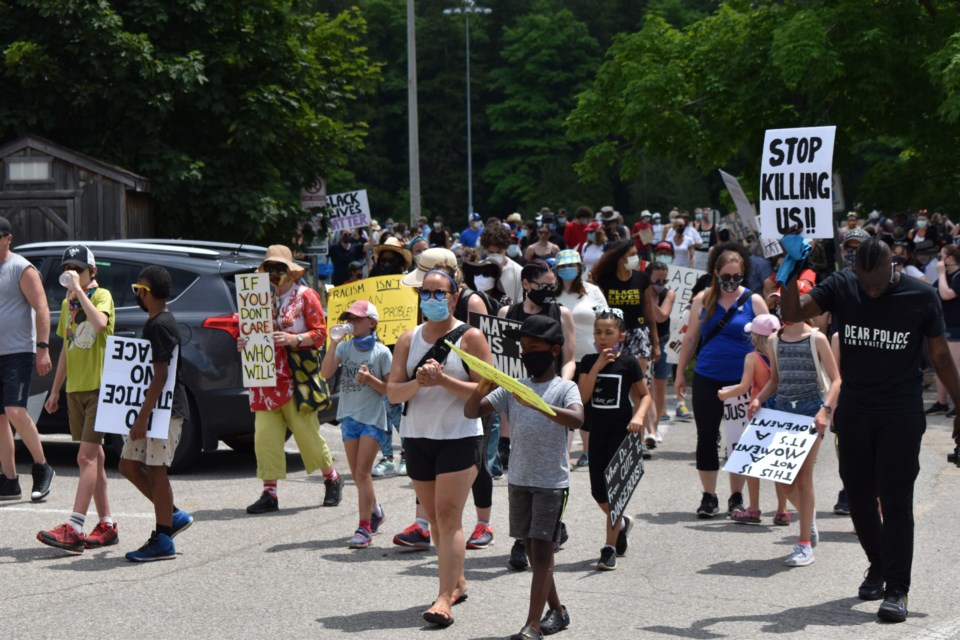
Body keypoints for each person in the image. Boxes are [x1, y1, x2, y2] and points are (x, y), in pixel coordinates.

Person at [781, 236, 960, 622]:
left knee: (895, 501)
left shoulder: (920, 295)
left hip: (900, 410)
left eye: (876, 281)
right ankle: (878, 565)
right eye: (864, 282)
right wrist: (790, 273)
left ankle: (897, 588)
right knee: (859, 497)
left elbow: (941, 354)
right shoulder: (843, 285)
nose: (871, 289)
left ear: (893, 266)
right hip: (856, 411)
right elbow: (793, 313)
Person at [387, 251, 494, 627]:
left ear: (454, 296)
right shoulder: (407, 339)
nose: (432, 299)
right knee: (433, 519)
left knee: (449, 517)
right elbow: (394, 393)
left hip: (459, 437)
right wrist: (420, 380)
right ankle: (458, 581)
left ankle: (443, 598)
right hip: (418, 437)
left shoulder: (470, 337)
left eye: (439, 293)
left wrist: (444, 379)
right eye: (426, 293)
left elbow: (487, 390)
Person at [464, 315, 583, 640]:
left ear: (554, 349)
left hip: (551, 484)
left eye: (535, 348)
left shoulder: (564, 387)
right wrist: (480, 389)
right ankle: (557, 612)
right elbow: (472, 412)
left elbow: (576, 419)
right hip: (519, 480)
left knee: (543, 551)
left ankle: (532, 624)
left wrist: (540, 405)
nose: (528, 354)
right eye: (524, 349)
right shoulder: (513, 387)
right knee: (533, 551)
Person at [242, 245, 343, 515]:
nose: (275, 274)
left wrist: (294, 339)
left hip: (295, 379)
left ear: (290, 272)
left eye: (280, 269)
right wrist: (244, 342)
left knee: (307, 436)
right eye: (269, 269)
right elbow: (250, 331)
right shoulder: (257, 299)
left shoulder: (305, 296)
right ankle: (269, 493)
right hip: (264, 380)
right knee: (265, 439)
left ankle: (332, 477)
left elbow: (321, 334)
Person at [674, 242, 768, 518]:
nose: (731, 282)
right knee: (706, 436)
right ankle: (709, 496)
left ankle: (737, 496)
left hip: (743, 381)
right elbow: (690, 338)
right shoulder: (702, 299)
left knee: (738, 439)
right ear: (715, 273)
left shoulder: (754, 300)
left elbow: (769, 339)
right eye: (725, 277)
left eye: (736, 277)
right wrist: (680, 372)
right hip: (707, 376)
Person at [37, 246, 118, 554]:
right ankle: (107, 524)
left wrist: (79, 294)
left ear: (92, 272)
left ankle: (74, 526)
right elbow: (67, 352)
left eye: (78, 269)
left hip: (99, 388)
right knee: (95, 459)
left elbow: (99, 325)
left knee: (85, 459)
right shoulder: (67, 303)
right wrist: (56, 390)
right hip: (76, 391)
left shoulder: (101, 296)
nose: (72, 273)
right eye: (67, 268)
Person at [748, 317, 841, 566]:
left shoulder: (817, 338)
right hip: (782, 412)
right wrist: (759, 399)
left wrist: (825, 410)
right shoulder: (774, 339)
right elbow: (775, 381)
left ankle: (803, 545)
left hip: (810, 413)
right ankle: (808, 520)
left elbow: (836, 380)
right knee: (782, 479)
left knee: (802, 477)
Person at [118, 265, 195, 561]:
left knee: (157, 470)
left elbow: (161, 376)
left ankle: (163, 538)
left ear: (147, 293)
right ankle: (172, 515)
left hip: (166, 410)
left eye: (139, 290)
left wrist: (142, 417)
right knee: (128, 464)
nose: (137, 295)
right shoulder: (156, 321)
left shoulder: (159, 325)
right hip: (155, 409)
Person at [576, 307, 650, 571]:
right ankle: (621, 523)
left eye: (608, 332)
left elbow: (645, 395)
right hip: (596, 433)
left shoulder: (628, 363)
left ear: (621, 334)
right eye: (598, 332)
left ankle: (608, 549)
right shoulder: (586, 361)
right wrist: (597, 365)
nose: (602, 337)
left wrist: (639, 417)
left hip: (622, 434)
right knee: (599, 492)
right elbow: (583, 398)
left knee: (615, 492)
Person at [321, 301, 392, 549]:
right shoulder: (346, 347)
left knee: (362, 473)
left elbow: (390, 390)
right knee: (359, 476)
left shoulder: (382, 352)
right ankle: (376, 512)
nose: (351, 322)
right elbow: (325, 373)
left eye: (357, 319)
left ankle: (363, 528)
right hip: (348, 417)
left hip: (372, 418)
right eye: (349, 318)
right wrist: (333, 343)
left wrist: (370, 379)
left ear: (371, 322)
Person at [0, 216, 56, 502]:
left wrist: (43, 348)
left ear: (8, 238)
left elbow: (42, 307)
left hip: (17, 352)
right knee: (0, 418)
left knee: (14, 410)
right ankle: (9, 481)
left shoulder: (21, 267)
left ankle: (42, 467)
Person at [590, 240, 660, 453]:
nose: (635, 258)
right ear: (620, 258)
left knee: (638, 388)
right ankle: (616, 434)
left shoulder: (642, 279)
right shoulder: (605, 280)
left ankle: (637, 442)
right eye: (631, 254)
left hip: (638, 334)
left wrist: (656, 343)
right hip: (612, 337)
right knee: (616, 386)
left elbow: (649, 312)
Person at [718, 313, 779, 526]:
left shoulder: (752, 358)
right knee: (778, 463)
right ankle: (781, 510)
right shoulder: (783, 354)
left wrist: (724, 395)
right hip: (780, 412)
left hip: (758, 413)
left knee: (752, 462)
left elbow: (744, 387)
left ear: (754, 337)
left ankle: (754, 508)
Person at [555, 250, 607, 468]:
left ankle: (588, 450)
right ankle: (562, 453)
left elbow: (606, 319)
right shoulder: (552, 294)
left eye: (572, 266)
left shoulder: (592, 291)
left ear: (579, 268)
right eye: (563, 266)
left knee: (589, 404)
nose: (568, 270)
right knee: (563, 404)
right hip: (561, 357)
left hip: (590, 355)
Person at [369, 237, 413, 477]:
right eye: (382, 259)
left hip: (399, 353)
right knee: (381, 408)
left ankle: (407, 454)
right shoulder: (369, 283)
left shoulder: (407, 286)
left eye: (391, 260)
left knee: (395, 405)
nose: (386, 263)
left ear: (398, 262)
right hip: (375, 352)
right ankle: (386, 456)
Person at [646, 261, 674, 443]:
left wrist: (649, 299)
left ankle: (654, 428)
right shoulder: (642, 291)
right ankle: (648, 427)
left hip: (663, 343)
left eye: (663, 280)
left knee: (659, 387)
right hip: (644, 344)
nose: (660, 283)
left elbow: (661, 316)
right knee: (645, 387)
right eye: (656, 279)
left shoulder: (668, 294)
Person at [481, 224, 523, 303]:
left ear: (506, 248)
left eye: (499, 252)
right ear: (486, 249)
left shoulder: (519, 272)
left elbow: (521, 305)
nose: (495, 255)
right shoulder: (478, 270)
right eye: (491, 252)